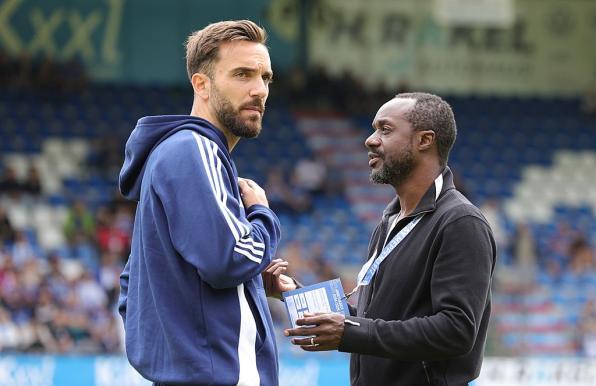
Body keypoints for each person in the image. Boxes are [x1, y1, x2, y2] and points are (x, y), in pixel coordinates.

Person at [118, 20, 296, 386]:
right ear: (202, 84)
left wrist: (253, 286)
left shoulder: (177, 153)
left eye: (265, 78)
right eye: (243, 74)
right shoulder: (196, 150)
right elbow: (230, 259)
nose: (259, 90)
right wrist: (262, 212)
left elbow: (131, 285)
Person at [285, 92, 496, 385]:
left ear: (425, 140)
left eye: (385, 130)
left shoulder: (460, 222)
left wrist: (352, 332)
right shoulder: (389, 221)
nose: (370, 140)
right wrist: (297, 293)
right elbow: (381, 319)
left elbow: (456, 330)